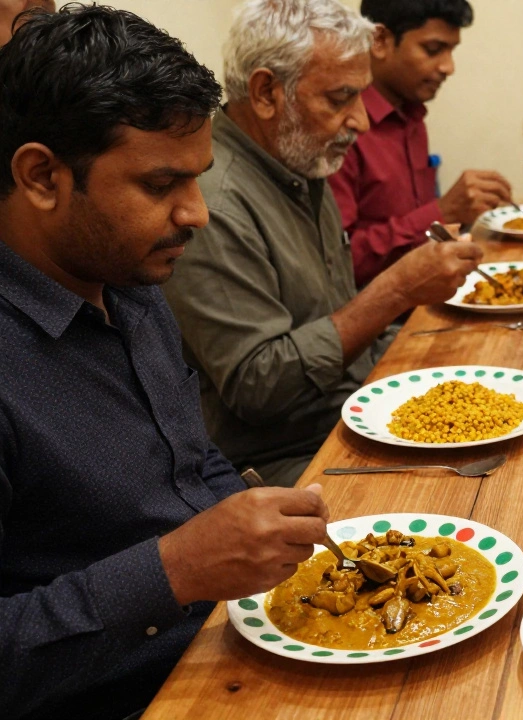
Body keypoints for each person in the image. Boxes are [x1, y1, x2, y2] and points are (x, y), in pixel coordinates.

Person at [0, 7, 333, 719]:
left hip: (228, 643)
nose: (196, 213)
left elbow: (191, 463)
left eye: (199, 179)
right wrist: (174, 570)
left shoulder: (128, 274)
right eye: (160, 185)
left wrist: (259, 519)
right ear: (40, 176)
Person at [164, 0, 482, 488]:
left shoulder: (301, 162)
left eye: (362, 97)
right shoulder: (216, 202)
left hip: (356, 411)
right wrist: (395, 291)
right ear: (267, 92)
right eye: (340, 99)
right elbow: (257, 387)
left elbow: (336, 320)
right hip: (289, 460)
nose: (362, 121)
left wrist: (442, 356)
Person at [331, 0, 513, 287]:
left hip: (423, 298)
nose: (448, 67)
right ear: (379, 41)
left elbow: (420, 236)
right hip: (377, 320)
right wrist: (441, 213)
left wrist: (461, 213)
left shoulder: (412, 115)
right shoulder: (339, 126)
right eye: (433, 49)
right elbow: (338, 264)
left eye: (452, 50)